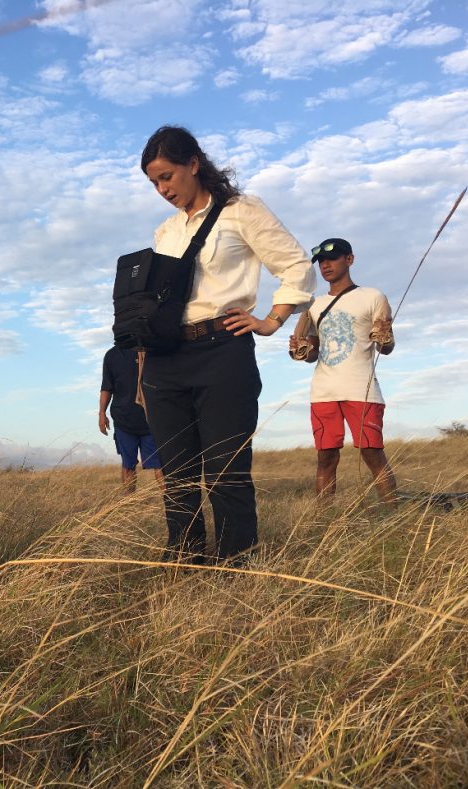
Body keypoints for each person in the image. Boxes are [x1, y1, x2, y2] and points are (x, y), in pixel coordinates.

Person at [139, 125, 316, 565]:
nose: (162, 189)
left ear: (193, 164)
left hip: (223, 348)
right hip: (166, 357)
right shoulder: (165, 232)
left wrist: (272, 320)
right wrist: (142, 365)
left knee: (226, 470)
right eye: (153, 182)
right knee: (176, 474)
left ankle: (237, 564)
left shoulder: (241, 211)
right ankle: (184, 557)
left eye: (167, 176)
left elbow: (296, 265)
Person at [289, 238, 398, 503]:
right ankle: (323, 520)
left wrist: (384, 338)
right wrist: (301, 348)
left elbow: (386, 346)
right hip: (324, 390)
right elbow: (312, 354)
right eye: (322, 262)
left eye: (333, 258)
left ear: (349, 259)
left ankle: (394, 513)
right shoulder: (313, 306)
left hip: (362, 388)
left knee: (372, 452)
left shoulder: (373, 296)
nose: (326, 265)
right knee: (325, 456)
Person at [98, 346, 164, 491]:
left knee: (160, 465)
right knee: (128, 465)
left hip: (152, 420)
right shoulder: (112, 355)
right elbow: (106, 387)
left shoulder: (150, 349)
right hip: (124, 420)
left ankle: (172, 505)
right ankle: (130, 506)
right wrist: (102, 413)